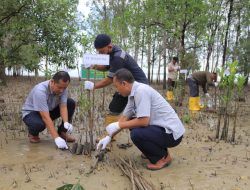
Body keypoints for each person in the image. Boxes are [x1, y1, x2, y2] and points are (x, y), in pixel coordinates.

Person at [97, 68, 185, 170]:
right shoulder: (132, 95)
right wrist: (109, 136)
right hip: (163, 130)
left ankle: (163, 158)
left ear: (124, 84)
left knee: (136, 134)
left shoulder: (141, 91)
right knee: (132, 124)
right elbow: (124, 119)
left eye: (117, 86)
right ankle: (154, 151)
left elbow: (144, 121)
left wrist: (119, 125)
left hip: (172, 134)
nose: (117, 90)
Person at [84, 34, 148, 114]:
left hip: (139, 86)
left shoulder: (118, 57)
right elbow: (106, 68)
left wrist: (94, 86)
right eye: (99, 52)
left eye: (102, 51)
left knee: (130, 112)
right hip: (128, 85)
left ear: (109, 46)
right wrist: (93, 66)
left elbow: (110, 79)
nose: (100, 54)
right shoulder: (111, 53)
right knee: (114, 108)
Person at [22, 71, 75, 149]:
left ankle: (62, 132)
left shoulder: (63, 88)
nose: (62, 91)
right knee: (38, 124)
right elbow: (45, 117)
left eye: (64, 88)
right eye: (59, 87)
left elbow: (63, 106)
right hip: (32, 113)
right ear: (52, 82)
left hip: (49, 109)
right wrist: (56, 138)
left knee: (70, 103)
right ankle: (33, 133)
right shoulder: (40, 91)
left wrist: (66, 122)